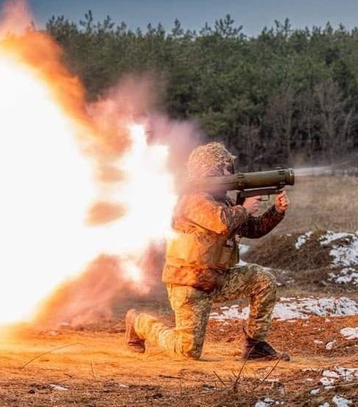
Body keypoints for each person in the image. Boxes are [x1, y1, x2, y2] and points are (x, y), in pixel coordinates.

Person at [124, 142, 290, 361]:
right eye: (226, 167)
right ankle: (139, 323)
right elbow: (220, 222)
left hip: (217, 278)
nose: (231, 172)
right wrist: (244, 207)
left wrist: (276, 211)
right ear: (211, 169)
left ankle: (255, 345)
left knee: (263, 280)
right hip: (190, 284)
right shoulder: (193, 199)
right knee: (188, 351)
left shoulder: (222, 200)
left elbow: (252, 229)